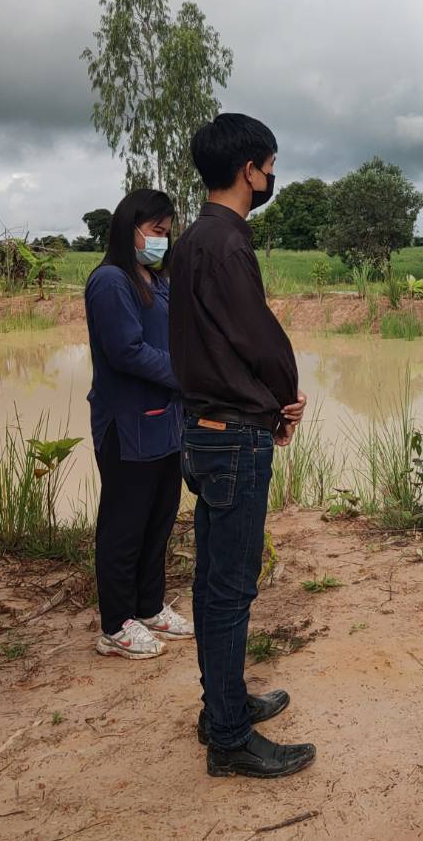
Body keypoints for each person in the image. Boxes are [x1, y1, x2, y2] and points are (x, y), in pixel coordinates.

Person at [168, 113, 315, 780]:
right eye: (271, 166)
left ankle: (222, 705)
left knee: (213, 582)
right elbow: (257, 338)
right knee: (229, 588)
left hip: (209, 429)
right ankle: (227, 738)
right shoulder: (226, 241)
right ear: (249, 168)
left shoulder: (195, 238)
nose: (272, 178)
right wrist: (283, 397)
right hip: (234, 435)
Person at [84, 189, 191, 659]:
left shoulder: (154, 279)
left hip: (164, 422)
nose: (161, 241)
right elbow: (125, 351)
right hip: (126, 425)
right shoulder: (111, 281)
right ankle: (115, 624)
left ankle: (148, 606)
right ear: (128, 227)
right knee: (124, 526)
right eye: (155, 231)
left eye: (167, 233)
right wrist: (188, 375)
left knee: (158, 518)